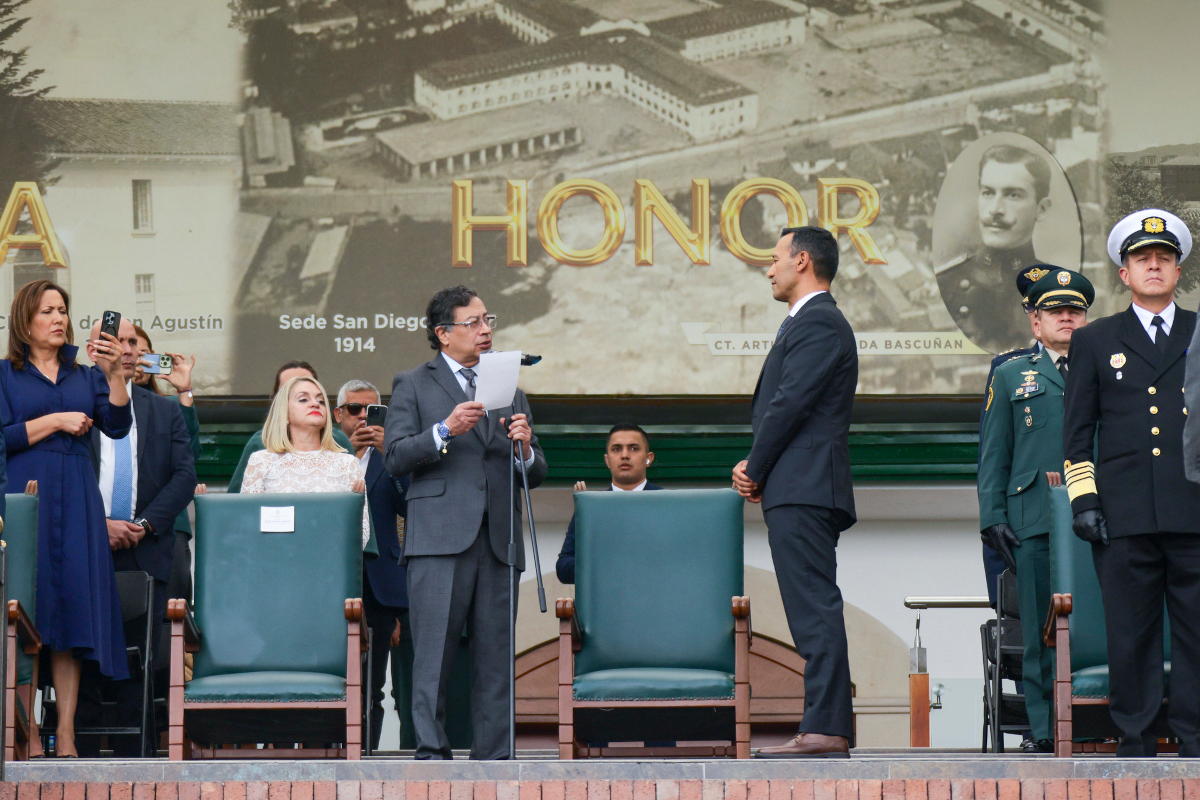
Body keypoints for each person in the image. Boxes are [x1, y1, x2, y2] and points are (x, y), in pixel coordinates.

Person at [383, 285, 547, 760]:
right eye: (473, 322)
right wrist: (443, 431)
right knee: (432, 656)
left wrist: (526, 446)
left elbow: (535, 473)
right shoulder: (414, 383)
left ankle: (495, 758)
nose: (486, 329)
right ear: (443, 333)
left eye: (487, 320)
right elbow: (394, 457)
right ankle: (432, 754)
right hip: (438, 539)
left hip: (499, 539)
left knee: (496, 659)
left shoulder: (510, 387)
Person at [1063, 209, 1200, 757]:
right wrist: (1085, 500)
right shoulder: (1096, 340)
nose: (1152, 266)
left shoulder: (1198, 332)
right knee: (1132, 634)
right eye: (1142, 259)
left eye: (1163, 259)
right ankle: (1136, 740)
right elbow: (1077, 434)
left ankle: (1194, 739)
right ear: (1124, 273)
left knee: (1196, 636)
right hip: (1123, 515)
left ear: (1177, 270)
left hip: (1193, 509)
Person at [732, 227, 857, 759]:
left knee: (814, 609)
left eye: (776, 259)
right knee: (811, 608)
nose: (770, 268)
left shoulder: (821, 322)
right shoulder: (808, 322)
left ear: (802, 261)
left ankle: (826, 727)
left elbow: (789, 404)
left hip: (804, 485)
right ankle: (824, 724)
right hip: (797, 483)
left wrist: (754, 467)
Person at [0, 279, 131, 757]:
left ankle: (67, 735)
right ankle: (27, 734)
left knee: (71, 615)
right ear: (24, 321)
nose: (58, 318)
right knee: (28, 613)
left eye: (62, 310)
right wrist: (56, 422)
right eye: (47, 311)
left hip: (76, 498)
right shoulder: (4, 375)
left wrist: (114, 374)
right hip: (24, 494)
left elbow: (116, 426)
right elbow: (3, 437)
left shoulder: (85, 372)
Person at [978, 267, 1093, 754]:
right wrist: (992, 516)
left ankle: (1094, 720)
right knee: (1039, 631)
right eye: (1055, 310)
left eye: (1075, 310)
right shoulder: (1009, 375)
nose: (1066, 317)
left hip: (1097, 517)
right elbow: (994, 453)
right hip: (1031, 518)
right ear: (1035, 321)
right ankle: (1043, 729)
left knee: (1096, 625)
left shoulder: (1108, 368)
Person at [78, 317, 196, 757]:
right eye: (115, 341)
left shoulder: (163, 410)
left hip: (147, 553)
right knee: (84, 657)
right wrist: (97, 524)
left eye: (133, 342)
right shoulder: (78, 404)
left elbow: (185, 476)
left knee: (141, 666)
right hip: (87, 548)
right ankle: (84, 760)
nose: (126, 349)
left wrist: (143, 525)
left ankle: (138, 762)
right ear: (93, 350)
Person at [332, 378, 409, 752]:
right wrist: (348, 454)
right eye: (353, 410)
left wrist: (390, 457)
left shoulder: (390, 457)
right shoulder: (325, 454)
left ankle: (367, 758)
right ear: (337, 415)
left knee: (373, 684)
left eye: (371, 410)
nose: (362, 417)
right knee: (334, 680)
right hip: (331, 581)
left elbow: (411, 506)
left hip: (380, 586)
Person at [977, 264, 1059, 605]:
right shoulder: (1009, 370)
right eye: (1036, 307)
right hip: (1028, 526)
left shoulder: (1099, 362)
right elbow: (994, 456)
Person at [937, 145, 1054, 354]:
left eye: (1013, 195)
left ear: (1041, 208)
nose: (995, 209)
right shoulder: (946, 283)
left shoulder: (1061, 287)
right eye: (988, 193)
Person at [240, 375, 370, 546]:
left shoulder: (347, 464)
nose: (315, 404)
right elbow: (246, 525)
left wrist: (354, 508)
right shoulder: (261, 461)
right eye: (303, 399)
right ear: (284, 412)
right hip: (274, 564)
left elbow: (362, 536)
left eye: (321, 401)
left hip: (328, 566)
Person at [132, 324, 200, 606]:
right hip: (115, 526)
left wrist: (184, 390)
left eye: (144, 353)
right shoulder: (96, 401)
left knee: (168, 615)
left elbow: (189, 457)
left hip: (167, 525)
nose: (135, 357)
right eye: (129, 350)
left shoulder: (169, 405)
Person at [555, 423, 663, 585]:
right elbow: (564, 568)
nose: (625, 455)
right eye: (617, 449)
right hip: (605, 603)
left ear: (649, 458)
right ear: (607, 460)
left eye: (634, 448)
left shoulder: (666, 503)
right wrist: (599, 565)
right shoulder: (592, 507)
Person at [227, 360, 352, 492]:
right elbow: (240, 504)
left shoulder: (341, 445)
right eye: (302, 398)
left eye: (319, 399)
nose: (314, 403)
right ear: (279, 402)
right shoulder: (260, 444)